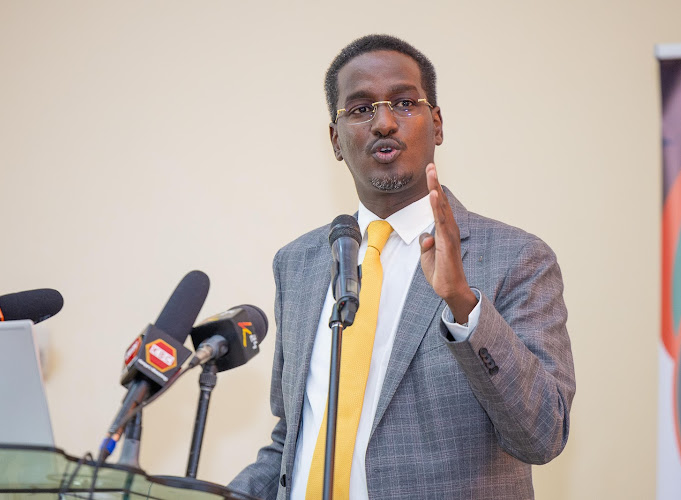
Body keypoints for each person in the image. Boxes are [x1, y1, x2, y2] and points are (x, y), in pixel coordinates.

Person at [229, 34, 575, 500]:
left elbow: (543, 434)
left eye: (405, 103)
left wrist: (464, 304)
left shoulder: (517, 258)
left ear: (436, 123)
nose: (385, 122)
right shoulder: (299, 263)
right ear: (335, 140)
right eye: (361, 108)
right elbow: (292, 438)